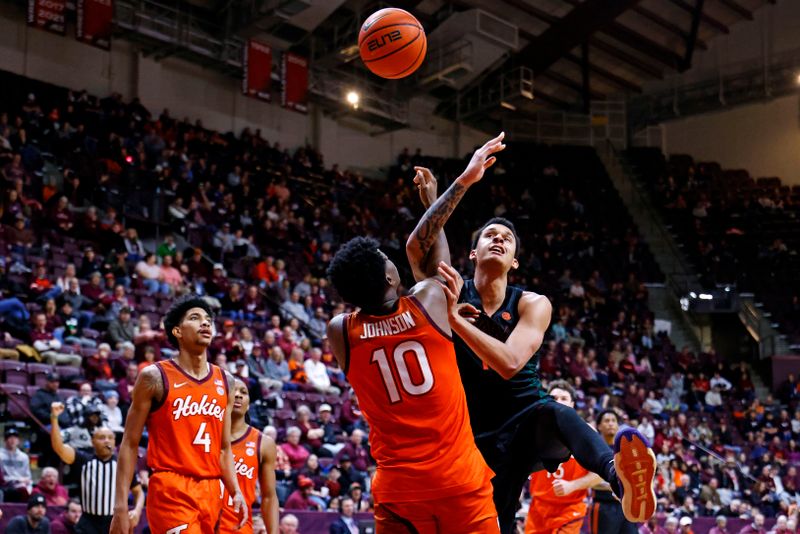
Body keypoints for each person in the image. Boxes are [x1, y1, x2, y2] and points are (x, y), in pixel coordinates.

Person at [405, 141, 657, 532]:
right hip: (471, 432)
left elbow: (508, 363)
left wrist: (454, 320)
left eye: (507, 239)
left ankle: (618, 475)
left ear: (515, 261)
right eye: (489, 235)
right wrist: (460, 184)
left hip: (527, 422)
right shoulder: (453, 289)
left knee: (557, 412)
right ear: (472, 254)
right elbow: (419, 248)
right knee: (496, 518)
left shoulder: (532, 303)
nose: (499, 239)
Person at [325, 136, 506, 533]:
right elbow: (424, 250)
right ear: (391, 276)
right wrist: (453, 187)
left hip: (399, 492)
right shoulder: (427, 302)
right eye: (389, 262)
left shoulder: (341, 332)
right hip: (458, 482)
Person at [111, 295, 247, 534]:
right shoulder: (154, 377)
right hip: (171, 487)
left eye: (208, 320)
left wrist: (236, 490)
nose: (205, 323)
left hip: (211, 489)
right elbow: (130, 443)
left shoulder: (226, 381)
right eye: (195, 318)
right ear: (177, 331)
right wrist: (120, 507)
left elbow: (224, 448)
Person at [50, 402, 144, 534]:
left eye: (110, 438)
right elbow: (59, 448)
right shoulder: (83, 459)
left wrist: (137, 511)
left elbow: (138, 492)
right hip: (89, 522)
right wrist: (54, 418)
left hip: (115, 521)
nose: (106, 441)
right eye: (102, 438)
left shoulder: (123, 464)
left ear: (114, 442)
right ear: (92, 441)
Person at [524, 381, 601, 534]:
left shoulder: (585, 431)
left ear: (572, 404)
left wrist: (572, 485)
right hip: (538, 511)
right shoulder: (533, 428)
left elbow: (599, 474)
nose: (558, 402)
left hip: (569, 511)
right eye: (554, 398)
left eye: (564, 398)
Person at [218, 378, 279, 534]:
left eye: (243, 392)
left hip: (238, 527)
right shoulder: (204, 434)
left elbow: (269, 497)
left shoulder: (263, 443)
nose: (238, 395)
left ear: (249, 404)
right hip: (202, 523)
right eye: (233, 391)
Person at [588, 410, 637, 534]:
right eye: (606, 421)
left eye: (613, 421)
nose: (610, 424)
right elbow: (589, 480)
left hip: (626, 507)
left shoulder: (625, 449)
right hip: (604, 506)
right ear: (599, 426)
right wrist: (617, 485)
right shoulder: (593, 449)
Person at [1, 427, 32, 502]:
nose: (12, 440)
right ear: (5, 440)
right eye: (10, 437)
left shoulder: (24, 457)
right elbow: (2, 478)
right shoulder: (0, 455)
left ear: (18, 441)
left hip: (20, 486)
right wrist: (17, 480)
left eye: (15, 438)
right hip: (5, 485)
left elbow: (28, 477)